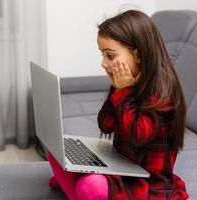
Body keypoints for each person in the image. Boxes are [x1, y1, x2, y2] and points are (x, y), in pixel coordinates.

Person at [47, 10, 189, 200]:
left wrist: (123, 93)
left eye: (110, 56)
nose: (104, 64)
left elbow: (138, 136)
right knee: (57, 150)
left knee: (91, 187)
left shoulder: (162, 93)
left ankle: (75, 188)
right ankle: (76, 186)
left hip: (146, 181)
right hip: (121, 167)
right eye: (103, 55)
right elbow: (105, 124)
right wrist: (117, 89)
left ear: (138, 55)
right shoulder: (126, 84)